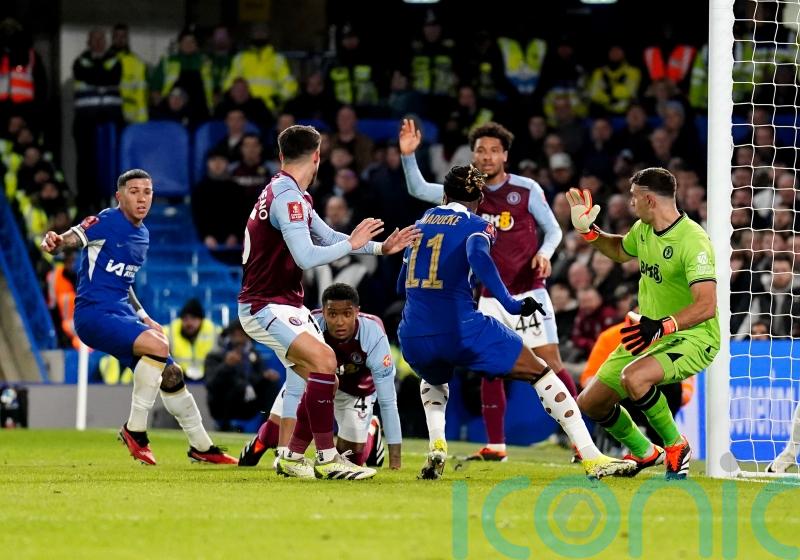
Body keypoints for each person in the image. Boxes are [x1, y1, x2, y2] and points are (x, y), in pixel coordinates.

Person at [397, 165, 635, 480]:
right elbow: (478, 255)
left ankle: (437, 444)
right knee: (541, 372)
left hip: (412, 332)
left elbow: (401, 284)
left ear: (443, 195)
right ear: (479, 199)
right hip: (460, 327)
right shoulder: (477, 225)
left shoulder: (419, 224)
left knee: (434, 378)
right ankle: (593, 458)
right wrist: (510, 302)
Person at [236, 124, 418, 480]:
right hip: (265, 304)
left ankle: (290, 457)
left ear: (281, 156)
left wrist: (381, 248)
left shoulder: (292, 195)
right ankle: (328, 457)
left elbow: (331, 236)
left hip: (285, 303)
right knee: (325, 360)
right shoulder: (287, 198)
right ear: (317, 157)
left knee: (325, 377)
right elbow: (306, 256)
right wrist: (352, 246)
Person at [399, 119, 577, 463]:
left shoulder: (525, 189)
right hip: (486, 296)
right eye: (480, 150)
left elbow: (553, 230)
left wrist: (544, 254)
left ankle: (576, 436)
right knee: (488, 368)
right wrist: (409, 156)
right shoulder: (464, 192)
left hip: (528, 291)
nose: (486, 156)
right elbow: (418, 188)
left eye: (494, 150)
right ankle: (496, 445)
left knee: (551, 363)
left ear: (505, 155)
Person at [39, 169, 236, 465]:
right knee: (159, 346)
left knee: (172, 374)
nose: (142, 198)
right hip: (93, 314)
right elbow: (75, 236)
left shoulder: (142, 235)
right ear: (120, 196)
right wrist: (57, 241)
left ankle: (201, 447)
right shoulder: (107, 220)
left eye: (147, 191)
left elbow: (124, 281)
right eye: (134, 191)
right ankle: (135, 431)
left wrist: (143, 315)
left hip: (120, 313)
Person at [567, 167, 719, 479]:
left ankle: (676, 446)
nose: (630, 203)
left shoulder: (693, 241)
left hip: (693, 336)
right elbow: (621, 251)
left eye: (634, 197)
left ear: (649, 199)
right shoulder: (644, 229)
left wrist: (663, 325)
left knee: (634, 378)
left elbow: (706, 305)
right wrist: (589, 233)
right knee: (591, 403)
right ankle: (645, 452)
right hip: (650, 334)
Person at [239, 283, 401, 470]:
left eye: (347, 314)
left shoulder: (373, 335)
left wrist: (395, 463)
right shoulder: (306, 326)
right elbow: (293, 391)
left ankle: (371, 430)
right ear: (323, 312)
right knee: (276, 433)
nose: (339, 322)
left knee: (351, 460)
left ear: (357, 312)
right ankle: (263, 438)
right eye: (333, 314)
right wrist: (285, 452)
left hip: (355, 391)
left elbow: (388, 402)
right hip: (314, 383)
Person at [204, 319, 281, 432]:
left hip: (247, 402)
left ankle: (268, 429)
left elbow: (256, 378)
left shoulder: (254, 355)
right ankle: (225, 426)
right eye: (235, 335)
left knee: (271, 384)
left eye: (242, 335)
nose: (239, 339)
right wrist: (226, 366)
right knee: (231, 383)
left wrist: (265, 376)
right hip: (221, 405)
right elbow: (211, 384)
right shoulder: (215, 356)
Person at [166, 298, 219, 381]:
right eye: (185, 319)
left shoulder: (214, 332)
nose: (189, 323)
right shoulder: (170, 332)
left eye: (193, 318)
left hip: (208, 380)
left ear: (201, 320)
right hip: (179, 380)